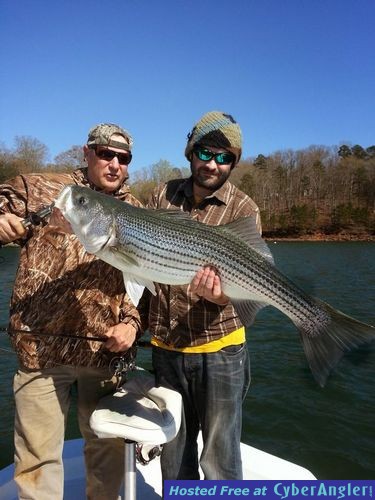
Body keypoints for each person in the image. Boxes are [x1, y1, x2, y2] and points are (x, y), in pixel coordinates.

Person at [0, 123, 143, 500]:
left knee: (107, 454)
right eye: (106, 154)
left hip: (105, 354)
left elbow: (142, 286)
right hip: (39, 352)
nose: (114, 164)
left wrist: (130, 324)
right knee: (37, 461)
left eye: (123, 158)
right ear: (87, 152)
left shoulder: (136, 212)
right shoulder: (43, 189)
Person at [146, 111, 262, 480]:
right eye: (206, 152)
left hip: (221, 352)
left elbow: (248, 289)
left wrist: (222, 296)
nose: (213, 164)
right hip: (165, 350)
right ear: (190, 152)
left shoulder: (245, 209)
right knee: (174, 457)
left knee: (220, 461)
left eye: (225, 157)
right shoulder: (161, 195)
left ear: (234, 162)